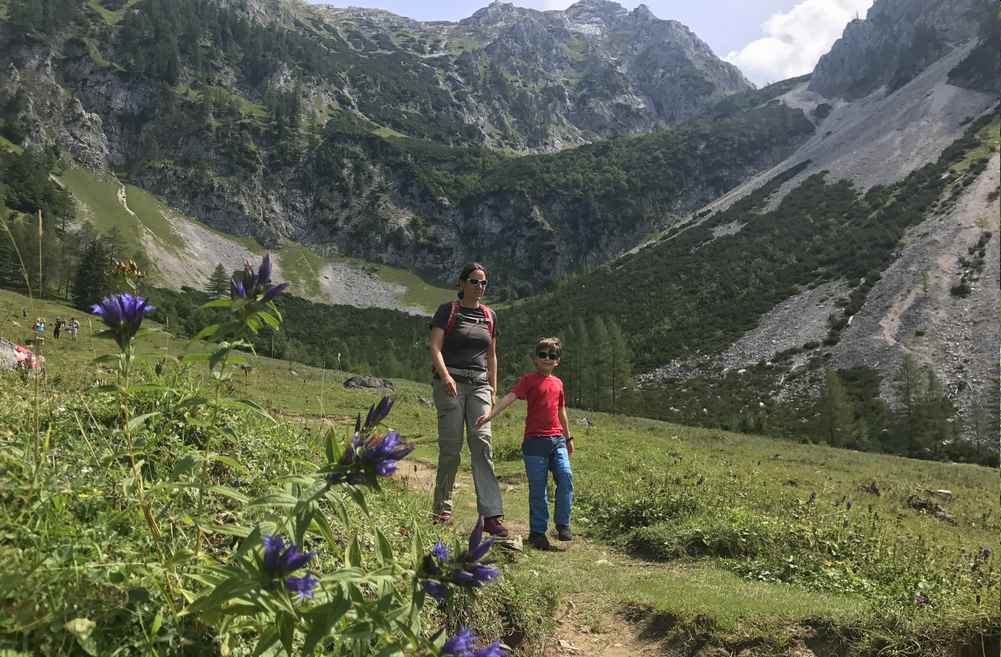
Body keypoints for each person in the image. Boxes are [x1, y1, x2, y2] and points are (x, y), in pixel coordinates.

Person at [430, 263, 508, 537]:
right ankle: (441, 509)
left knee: (483, 445)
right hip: (450, 384)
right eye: (474, 281)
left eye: (483, 283)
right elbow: (435, 347)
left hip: (479, 385)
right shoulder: (447, 311)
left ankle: (491, 515)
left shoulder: (490, 316)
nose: (479, 287)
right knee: (451, 449)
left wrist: (492, 388)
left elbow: (492, 355)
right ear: (462, 284)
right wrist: (445, 377)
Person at [476, 337, 574, 550]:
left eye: (552, 356)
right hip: (534, 442)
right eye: (543, 355)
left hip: (557, 440)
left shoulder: (558, 383)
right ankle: (538, 533)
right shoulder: (528, 380)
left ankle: (563, 525)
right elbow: (511, 397)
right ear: (535, 359)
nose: (548, 359)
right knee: (539, 489)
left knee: (565, 477)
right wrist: (489, 415)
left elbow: (561, 411)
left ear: (557, 361)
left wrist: (568, 438)